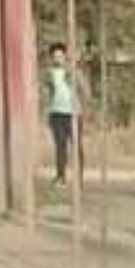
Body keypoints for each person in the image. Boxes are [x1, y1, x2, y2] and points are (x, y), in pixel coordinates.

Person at [45, 45, 80, 184]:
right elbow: (46, 90)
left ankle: (79, 176)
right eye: (55, 57)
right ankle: (61, 175)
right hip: (56, 113)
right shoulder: (49, 73)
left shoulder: (72, 72)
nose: (57, 59)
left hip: (72, 113)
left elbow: (82, 88)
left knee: (76, 144)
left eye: (60, 56)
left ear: (65, 56)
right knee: (60, 146)